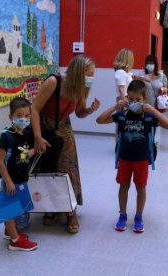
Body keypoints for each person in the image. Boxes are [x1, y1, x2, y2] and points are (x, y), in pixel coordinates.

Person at [31, 54, 100, 234]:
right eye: (89, 73)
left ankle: (70, 211)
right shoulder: (54, 82)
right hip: (44, 126)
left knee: (67, 168)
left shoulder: (81, 87)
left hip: (64, 126)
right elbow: (35, 109)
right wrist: (38, 137)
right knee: (46, 167)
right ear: (79, 72)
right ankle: (51, 207)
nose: (91, 77)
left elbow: (79, 113)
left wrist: (90, 110)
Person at [96, 80, 168, 233]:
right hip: (124, 158)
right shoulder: (123, 115)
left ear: (144, 99)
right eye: (131, 99)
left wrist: (153, 110)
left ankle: (138, 216)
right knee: (123, 186)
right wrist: (116, 106)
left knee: (141, 188)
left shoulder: (149, 117)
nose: (134, 102)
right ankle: (122, 215)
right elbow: (100, 120)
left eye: (138, 99)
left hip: (142, 159)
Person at [0, 97, 37, 251]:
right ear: (10, 117)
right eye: (19, 115)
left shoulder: (24, 134)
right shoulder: (6, 136)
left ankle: (9, 231)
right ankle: (15, 240)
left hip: (20, 178)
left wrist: (37, 149)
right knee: (8, 208)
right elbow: (0, 161)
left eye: (27, 116)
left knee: (15, 207)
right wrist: (7, 181)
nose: (23, 119)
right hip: (10, 180)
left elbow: (23, 155)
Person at [134, 54, 168, 145]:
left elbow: (165, 87)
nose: (150, 65)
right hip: (143, 105)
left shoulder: (161, 76)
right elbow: (136, 87)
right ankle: (142, 141)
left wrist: (164, 90)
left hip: (157, 105)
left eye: (152, 63)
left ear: (155, 64)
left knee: (154, 124)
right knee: (143, 123)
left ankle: (151, 141)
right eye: (148, 63)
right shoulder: (141, 74)